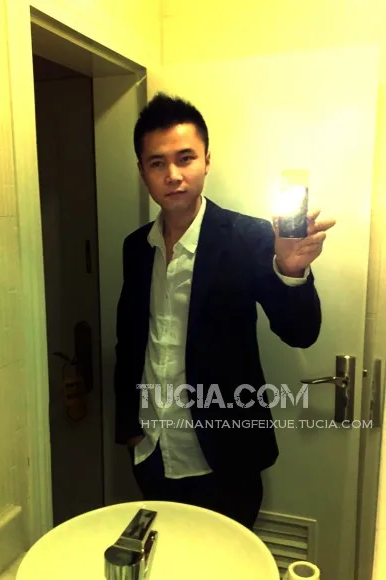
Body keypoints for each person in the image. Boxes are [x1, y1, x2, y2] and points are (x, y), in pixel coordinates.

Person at [113, 93, 335, 530]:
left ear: (207, 161)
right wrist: (129, 428)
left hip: (226, 459)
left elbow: (300, 332)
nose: (173, 175)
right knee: (166, 563)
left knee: (227, 569)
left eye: (185, 158)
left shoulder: (249, 237)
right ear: (142, 172)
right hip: (152, 451)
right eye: (157, 163)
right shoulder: (136, 247)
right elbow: (130, 342)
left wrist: (291, 271)